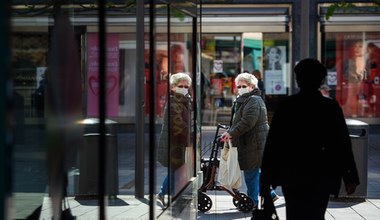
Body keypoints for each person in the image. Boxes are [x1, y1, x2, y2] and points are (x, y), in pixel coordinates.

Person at [260, 58, 360, 220]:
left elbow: (274, 144)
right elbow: (342, 144)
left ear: (298, 79)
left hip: (292, 174)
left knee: (294, 214)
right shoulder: (330, 107)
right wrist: (350, 176)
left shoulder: (287, 106)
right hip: (321, 174)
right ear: (321, 80)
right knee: (316, 214)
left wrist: (266, 178)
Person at [221, 72, 278, 209]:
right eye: (238, 86)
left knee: (250, 172)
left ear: (252, 86)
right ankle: (269, 193)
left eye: (243, 86)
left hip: (254, 143)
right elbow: (238, 121)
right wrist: (230, 131)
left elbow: (247, 122)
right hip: (251, 142)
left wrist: (231, 133)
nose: (240, 88)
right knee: (253, 171)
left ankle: (253, 202)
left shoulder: (254, 100)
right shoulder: (243, 100)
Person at [157, 72, 192, 207]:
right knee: (174, 170)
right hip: (174, 143)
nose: (184, 88)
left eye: (186, 86)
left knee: (176, 171)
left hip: (179, 142)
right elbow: (179, 124)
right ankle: (164, 194)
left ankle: (169, 195)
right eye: (180, 85)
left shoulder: (184, 100)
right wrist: (191, 132)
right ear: (173, 87)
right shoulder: (174, 102)